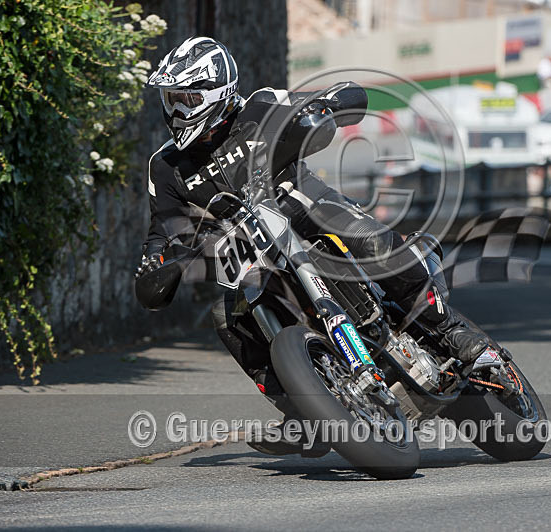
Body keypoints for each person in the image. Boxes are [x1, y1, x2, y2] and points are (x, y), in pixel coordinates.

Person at [133, 37, 499, 455]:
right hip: (253, 250)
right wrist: (157, 262)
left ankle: (452, 332)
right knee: (227, 315)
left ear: (217, 92)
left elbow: (321, 104)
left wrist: (332, 103)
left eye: (186, 98)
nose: (176, 110)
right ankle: (300, 410)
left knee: (368, 239)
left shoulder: (261, 105)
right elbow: (163, 229)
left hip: (307, 210)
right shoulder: (165, 166)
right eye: (170, 99)